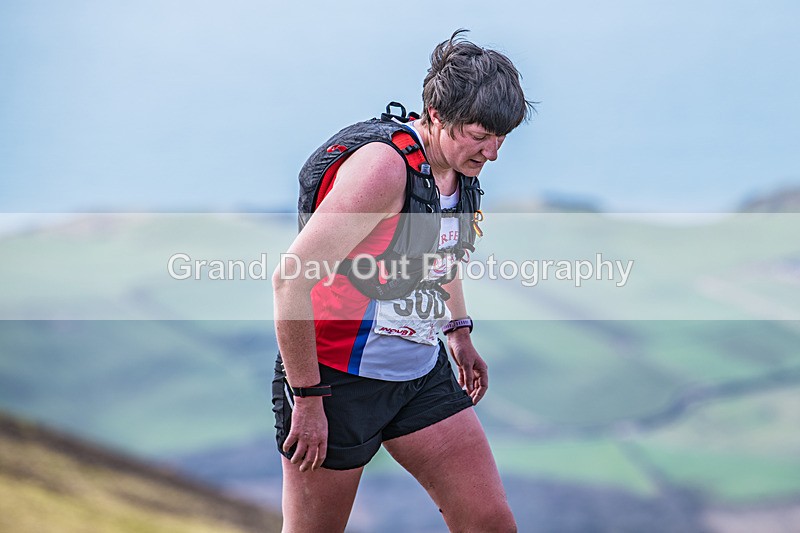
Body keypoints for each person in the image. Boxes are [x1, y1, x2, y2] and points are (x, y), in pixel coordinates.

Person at [271, 29, 533, 533]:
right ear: (435, 116)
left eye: (502, 136)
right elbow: (290, 280)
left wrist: (458, 331)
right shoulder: (382, 170)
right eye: (481, 135)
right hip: (333, 382)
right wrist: (306, 398)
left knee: (490, 523)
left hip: (418, 373)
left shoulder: (459, 166)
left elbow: (439, 252)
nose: (493, 152)